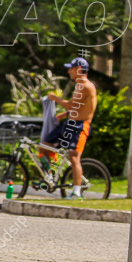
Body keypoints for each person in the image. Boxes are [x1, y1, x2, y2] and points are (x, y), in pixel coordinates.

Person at [44, 56, 97, 199]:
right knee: (45, 144)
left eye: (71, 69)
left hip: (80, 126)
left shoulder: (85, 86)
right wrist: (64, 114)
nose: (69, 72)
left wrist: (56, 99)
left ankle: (76, 191)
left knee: (74, 157)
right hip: (70, 123)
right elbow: (78, 106)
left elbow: (73, 105)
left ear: (79, 70)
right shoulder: (79, 86)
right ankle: (51, 175)